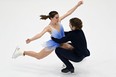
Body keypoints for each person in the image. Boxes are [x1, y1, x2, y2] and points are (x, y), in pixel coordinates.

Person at [12, 0, 84, 60]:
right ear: (51, 18)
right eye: (56, 17)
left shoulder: (59, 21)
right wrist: (31, 39)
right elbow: (39, 35)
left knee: (71, 48)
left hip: (62, 42)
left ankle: (66, 61)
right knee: (39, 56)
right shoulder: (48, 27)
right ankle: (21, 52)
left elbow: (68, 13)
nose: (58, 18)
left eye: (58, 17)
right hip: (55, 43)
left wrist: (77, 5)